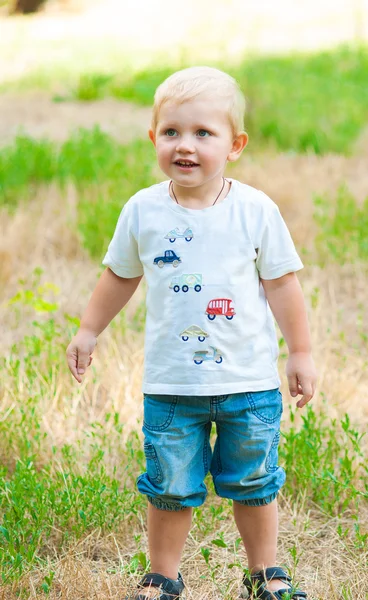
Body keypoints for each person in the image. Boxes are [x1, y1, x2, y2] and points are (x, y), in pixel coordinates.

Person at [66, 66, 317, 600]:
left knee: (254, 482)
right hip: (172, 384)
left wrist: (300, 352)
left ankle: (265, 572)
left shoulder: (255, 210)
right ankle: (162, 575)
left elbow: (283, 285)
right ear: (153, 138)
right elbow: (119, 275)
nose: (186, 145)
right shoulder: (143, 210)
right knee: (169, 487)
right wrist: (89, 330)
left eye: (204, 133)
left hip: (248, 382)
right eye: (173, 131)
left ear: (235, 145)